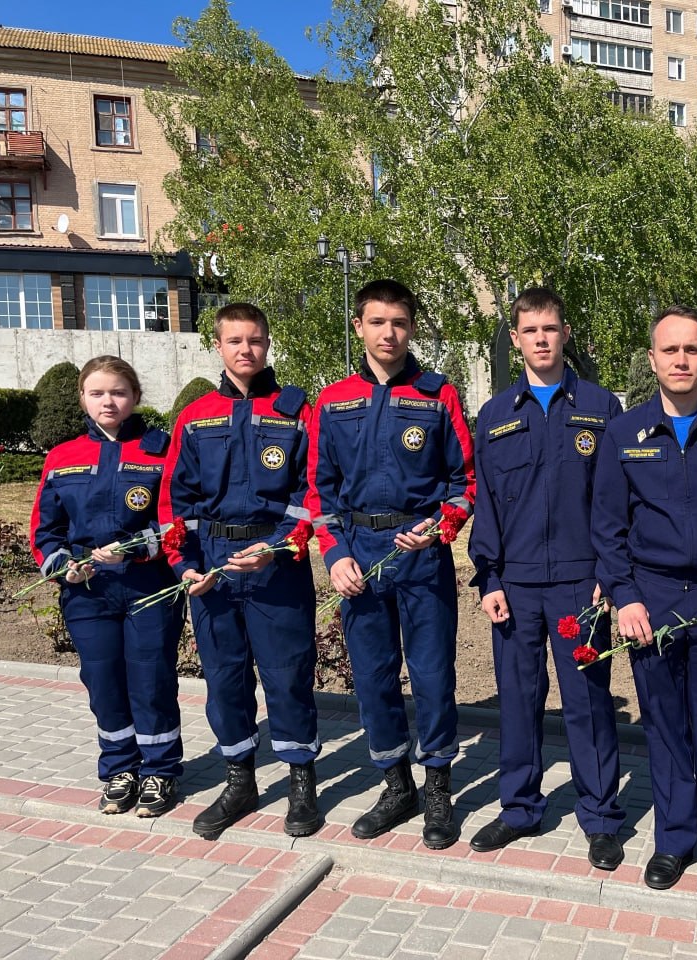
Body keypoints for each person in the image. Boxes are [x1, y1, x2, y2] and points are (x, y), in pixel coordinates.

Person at [591, 305, 697, 898]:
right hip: (653, 600)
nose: (682, 360)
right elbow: (608, 528)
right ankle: (673, 840)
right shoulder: (624, 434)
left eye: (692, 349)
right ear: (652, 359)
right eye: (670, 350)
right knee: (664, 726)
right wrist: (625, 596)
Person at [308, 278, 475, 850]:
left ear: (412, 327)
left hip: (421, 557)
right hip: (359, 558)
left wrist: (440, 530)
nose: (389, 333)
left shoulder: (438, 394)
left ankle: (438, 788)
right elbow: (317, 490)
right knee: (374, 677)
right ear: (359, 326)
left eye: (399, 322)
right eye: (377, 322)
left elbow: (464, 482)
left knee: (432, 677)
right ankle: (396, 784)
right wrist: (335, 555)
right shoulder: (333, 401)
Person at [467, 287, 625, 869]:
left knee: (588, 702)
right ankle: (519, 809)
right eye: (530, 330)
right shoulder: (494, 415)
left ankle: (600, 818)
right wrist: (489, 578)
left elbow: (614, 501)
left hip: (582, 586)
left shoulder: (601, 408)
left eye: (550, 329)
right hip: (516, 585)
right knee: (518, 701)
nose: (541, 339)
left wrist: (610, 574)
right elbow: (487, 504)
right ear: (515, 339)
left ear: (565, 334)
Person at [160, 302, 320, 840]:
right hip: (214, 566)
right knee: (225, 679)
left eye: (254, 339)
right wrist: (185, 566)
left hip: (276, 566)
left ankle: (301, 780)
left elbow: (311, 492)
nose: (245, 349)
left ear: (268, 343)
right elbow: (175, 501)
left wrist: (278, 547)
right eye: (234, 341)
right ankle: (240, 780)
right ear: (218, 345)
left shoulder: (296, 411)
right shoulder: (195, 415)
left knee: (288, 676)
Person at [29, 357, 184, 817]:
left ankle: (160, 770)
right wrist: (64, 568)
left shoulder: (162, 451)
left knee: (151, 680)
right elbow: (45, 531)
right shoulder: (62, 457)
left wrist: (135, 550)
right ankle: (120, 769)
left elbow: (178, 521)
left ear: (135, 396)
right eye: (97, 393)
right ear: (82, 398)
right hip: (87, 592)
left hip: (148, 585)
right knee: (103, 682)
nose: (108, 401)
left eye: (118, 392)